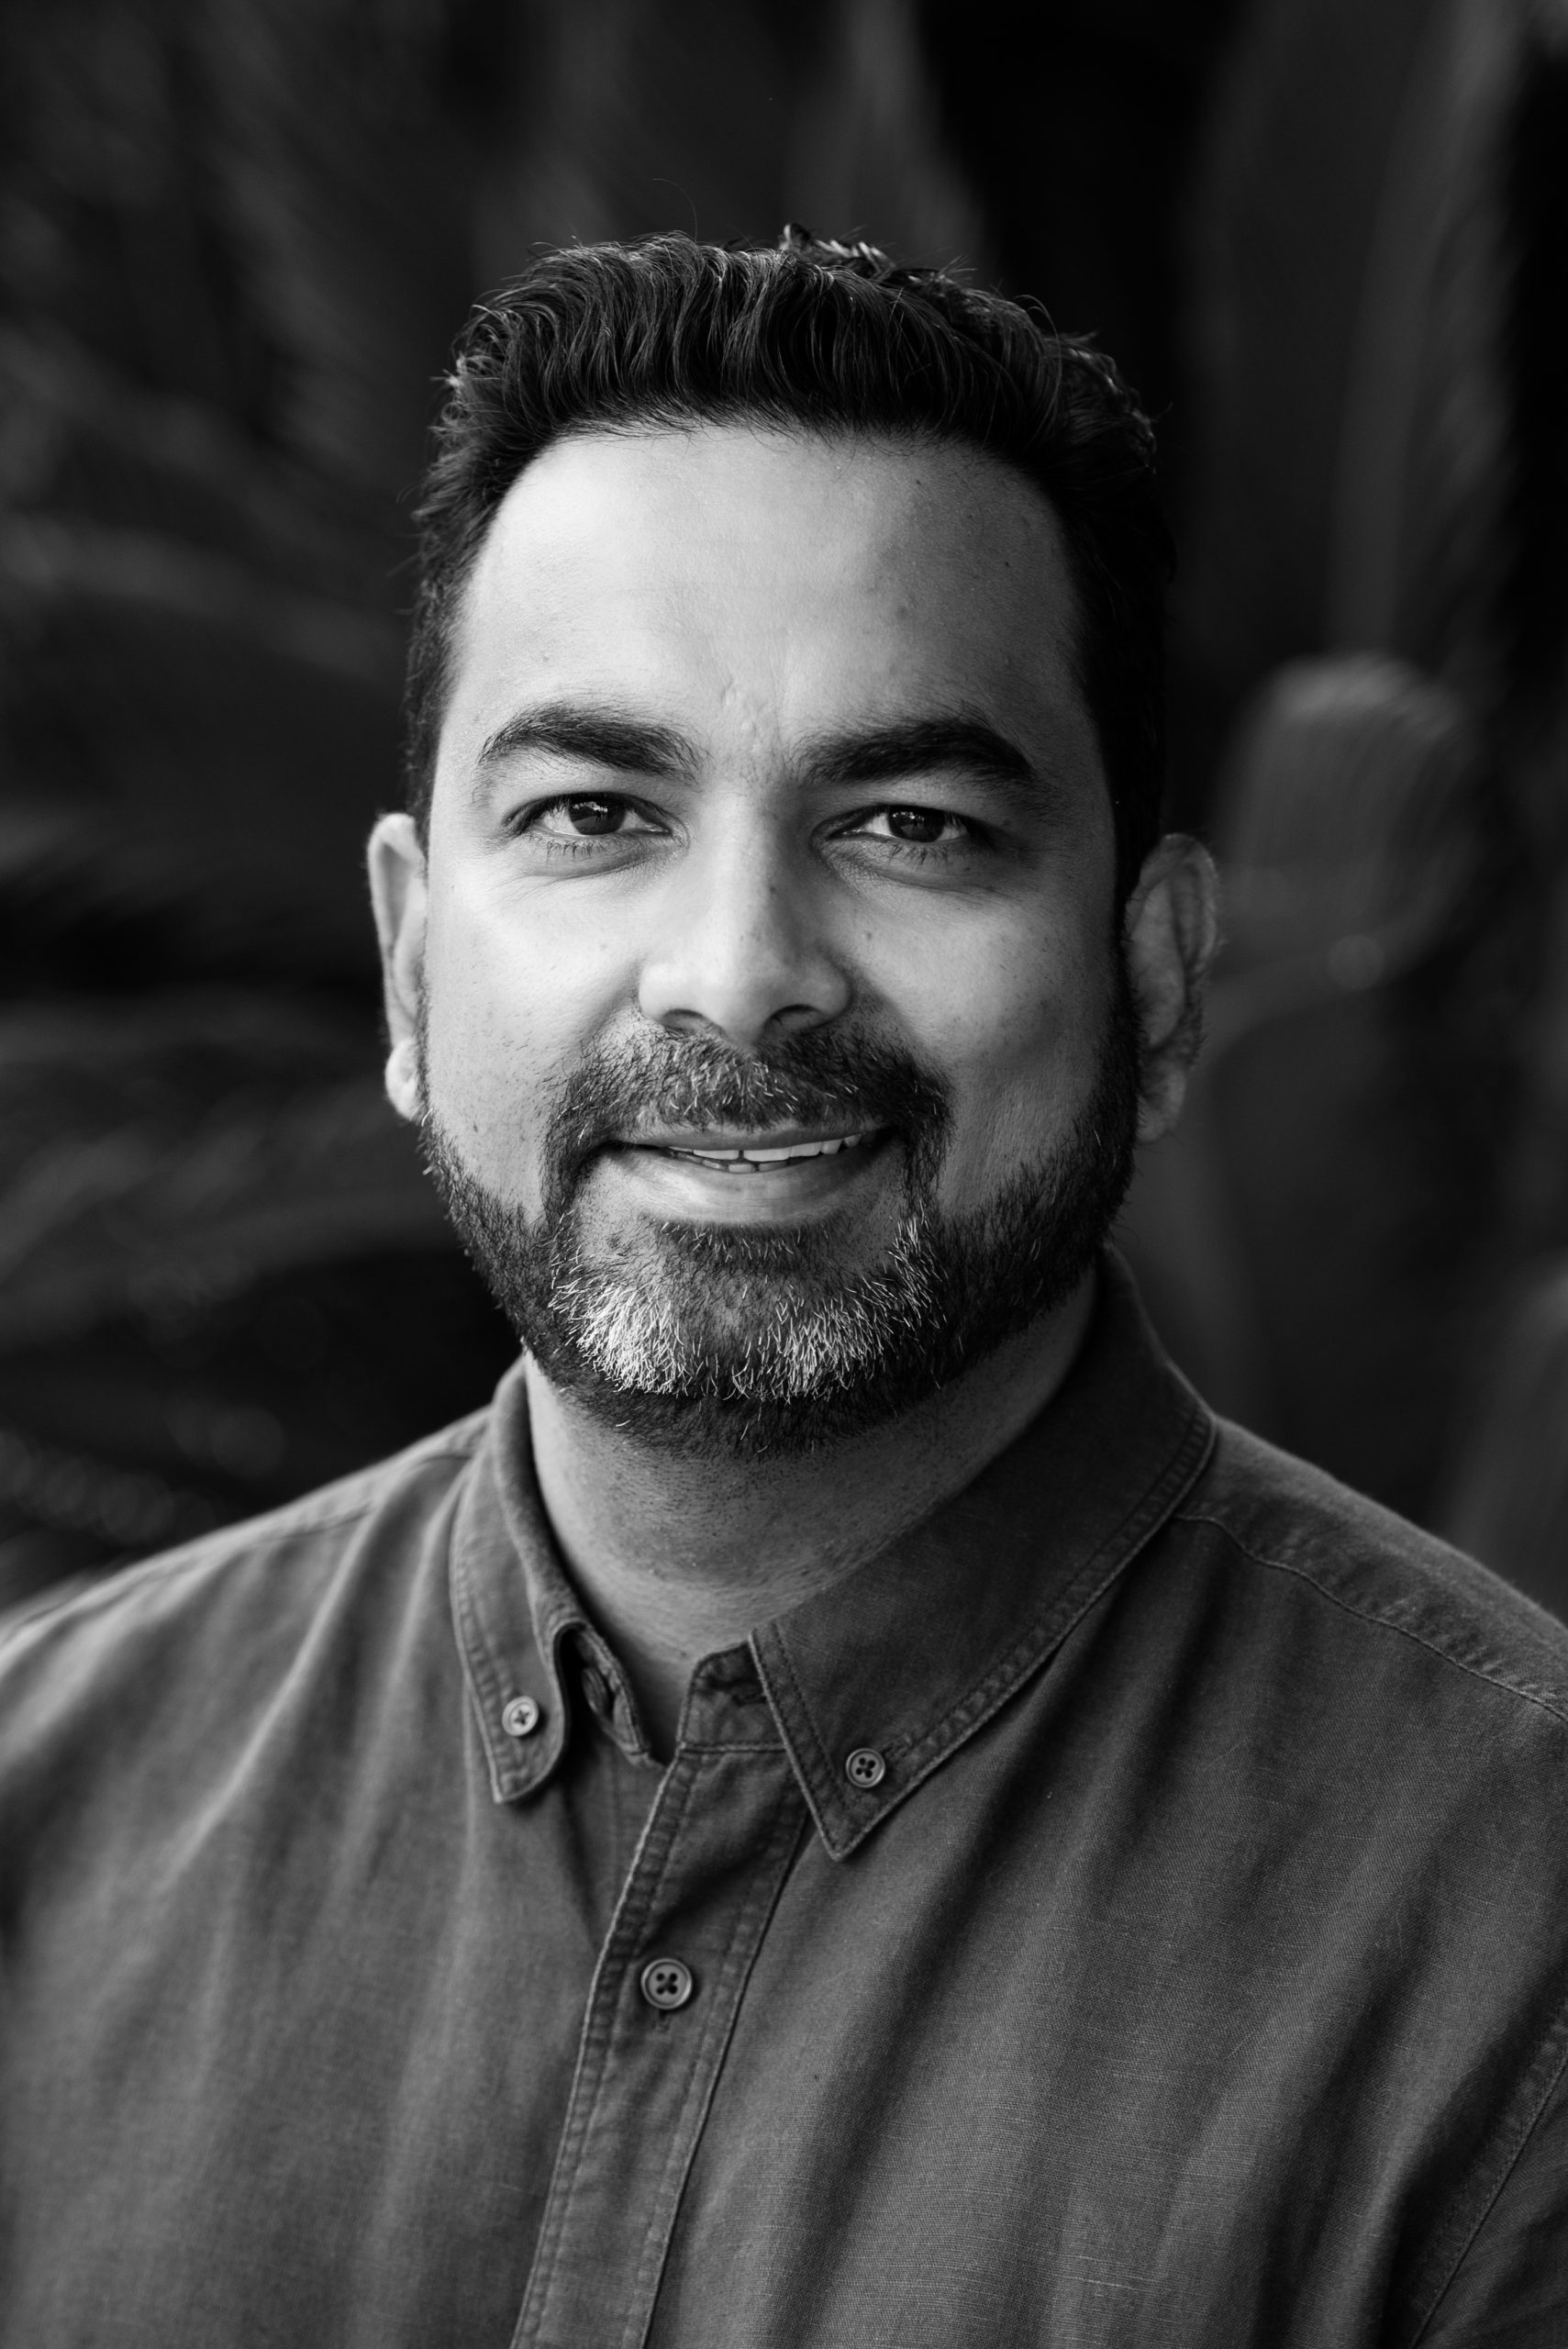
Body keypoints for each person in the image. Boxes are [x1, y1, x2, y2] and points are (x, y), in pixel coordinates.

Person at [1, 231, 1564, 2349]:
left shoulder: (1511, 1925)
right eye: (592, 813)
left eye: (911, 820)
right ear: (404, 959)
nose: (737, 967)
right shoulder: (43, 1801)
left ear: (1159, 975)